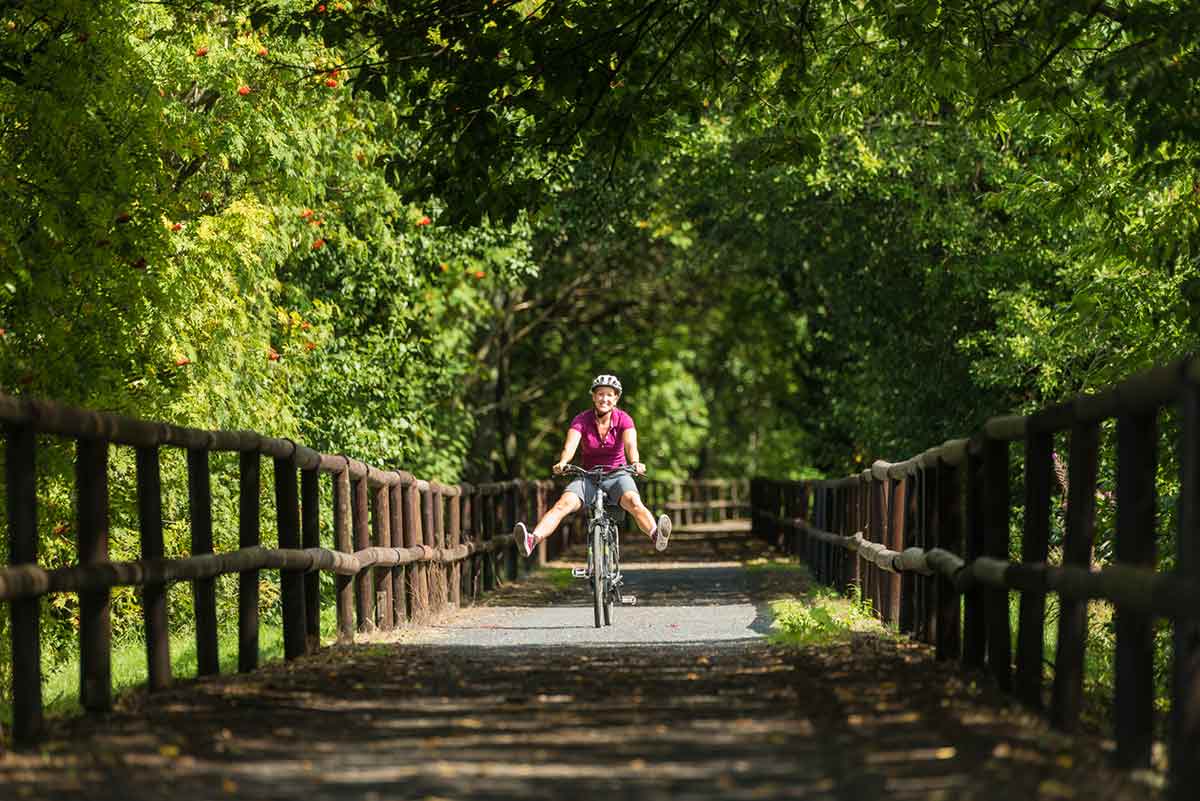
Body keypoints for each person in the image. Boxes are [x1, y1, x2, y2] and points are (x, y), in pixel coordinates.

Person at [514, 373, 671, 556]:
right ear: (594, 397)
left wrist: (635, 462)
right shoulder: (581, 419)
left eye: (609, 394)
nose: (604, 398)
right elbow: (570, 445)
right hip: (588, 476)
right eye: (600, 394)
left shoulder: (624, 419)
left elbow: (630, 445)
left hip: (618, 474)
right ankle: (532, 540)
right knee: (562, 504)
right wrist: (564, 462)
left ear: (616, 398)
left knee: (634, 501)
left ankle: (656, 535)